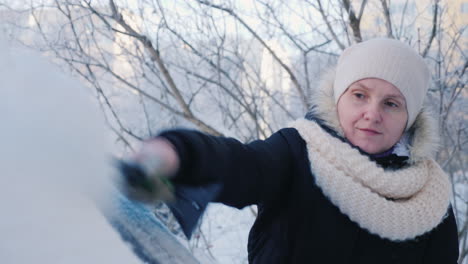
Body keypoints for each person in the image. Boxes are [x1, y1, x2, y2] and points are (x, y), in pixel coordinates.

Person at [118, 38, 459, 263]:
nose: (373, 113)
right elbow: (240, 164)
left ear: (409, 118)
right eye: (359, 95)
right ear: (338, 97)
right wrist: (177, 153)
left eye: (391, 103)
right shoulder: (298, 152)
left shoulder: (429, 200)